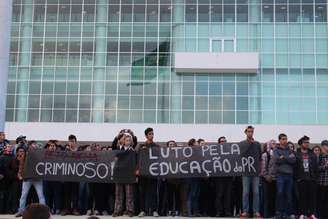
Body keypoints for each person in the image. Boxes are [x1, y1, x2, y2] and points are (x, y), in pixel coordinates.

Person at [15, 141, 46, 217]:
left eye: (35, 145)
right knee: (23, 195)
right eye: (32, 145)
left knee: (40, 195)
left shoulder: (40, 154)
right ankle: (21, 211)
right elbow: (21, 165)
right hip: (27, 178)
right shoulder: (25, 154)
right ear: (29, 146)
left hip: (37, 178)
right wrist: (19, 174)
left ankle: (45, 212)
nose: (34, 146)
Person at [137, 128, 159, 217]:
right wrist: (137, 169)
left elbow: (159, 159)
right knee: (142, 192)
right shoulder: (141, 146)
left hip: (153, 173)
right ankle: (143, 210)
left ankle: (154, 210)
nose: (152, 135)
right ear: (146, 135)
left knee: (153, 192)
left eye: (152, 134)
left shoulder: (156, 147)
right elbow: (138, 159)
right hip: (143, 173)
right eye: (150, 134)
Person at [240, 126, 262, 218]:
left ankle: (256, 211)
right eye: (248, 131)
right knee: (245, 192)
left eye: (252, 131)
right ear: (245, 132)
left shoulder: (257, 144)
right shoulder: (242, 143)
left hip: (255, 172)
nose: (250, 133)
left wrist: (260, 170)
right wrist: (249, 144)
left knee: (256, 192)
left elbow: (260, 158)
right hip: (245, 172)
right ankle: (245, 211)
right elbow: (241, 154)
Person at [295, 136, 318, 219]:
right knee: (302, 197)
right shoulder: (296, 154)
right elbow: (295, 167)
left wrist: (315, 178)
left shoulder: (312, 154)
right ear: (301, 144)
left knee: (312, 197)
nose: (307, 144)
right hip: (301, 179)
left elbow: (315, 167)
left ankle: (311, 214)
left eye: (308, 142)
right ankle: (302, 213)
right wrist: (297, 178)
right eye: (305, 142)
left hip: (311, 179)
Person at [274, 133, 296, 219]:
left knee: (288, 195)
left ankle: (287, 213)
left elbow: (293, 160)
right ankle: (279, 212)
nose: (285, 140)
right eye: (283, 139)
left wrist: (283, 158)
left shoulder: (290, 150)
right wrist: (287, 158)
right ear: (279, 140)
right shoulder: (276, 150)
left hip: (289, 175)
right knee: (280, 193)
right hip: (280, 175)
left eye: (286, 139)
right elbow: (277, 160)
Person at [113, 134, 135, 217]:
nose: (128, 141)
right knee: (118, 194)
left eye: (129, 140)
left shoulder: (132, 150)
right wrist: (117, 136)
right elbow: (113, 145)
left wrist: (130, 133)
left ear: (131, 142)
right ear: (123, 141)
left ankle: (130, 210)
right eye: (126, 140)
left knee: (129, 194)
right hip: (119, 173)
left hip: (129, 174)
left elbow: (135, 140)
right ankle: (117, 210)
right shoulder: (119, 149)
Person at [61, 135, 80, 216]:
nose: (71, 143)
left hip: (76, 176)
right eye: (70, 141)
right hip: (67, 175)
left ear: (75, 142)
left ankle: (75, 209)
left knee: (75, 193)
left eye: (73, 141)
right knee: (67, 193)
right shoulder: (65, 151)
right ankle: (66, 209)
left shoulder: (79, 151)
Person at [43, 140, 62, 215]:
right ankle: (49, 209)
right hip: (47, 178)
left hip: (56, 179)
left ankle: (57, 208)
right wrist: (48, 143)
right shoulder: (44, 154)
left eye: (54, 146)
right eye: (51, 146)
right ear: (48, 147)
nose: (52, 147)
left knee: (56, 194)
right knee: (47, 195)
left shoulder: (59, 155)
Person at [260, 140, 276, 218]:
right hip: (266, 179)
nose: (274, 144)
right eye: (272, 143)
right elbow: (263, 168)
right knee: (266, 198)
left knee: (273, 197)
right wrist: (266, 176)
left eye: (275, 143)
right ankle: (266, 215)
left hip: (275, 179)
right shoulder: (265, 155)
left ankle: (272, 214)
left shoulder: (276, 154)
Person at [186, 138, 201, 217]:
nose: (198, 144)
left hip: (197, 176)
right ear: (192, 144)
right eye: (196, 143)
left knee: (196, 194)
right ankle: (189, 212)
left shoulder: (198, 153)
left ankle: (195, 211)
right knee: (192, 193)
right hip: (191, 176)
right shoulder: (189, 153)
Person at [0, 144, 16, 213]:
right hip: (3, 180)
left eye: (11, 147)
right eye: (8, 147)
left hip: (11, 180)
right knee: (2, 196)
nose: (10, 148)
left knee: (10, 196)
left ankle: (8, 210)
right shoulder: (1, 157)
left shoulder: (14, 157)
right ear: (5, 149)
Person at [317, 140, 328, 219]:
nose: (326, 147)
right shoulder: (320, 156)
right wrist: (326, 165)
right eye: (325, 145)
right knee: (321, 200)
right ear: (322, 146)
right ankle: (320, 215)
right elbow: (316, 169)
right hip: (322, 182)